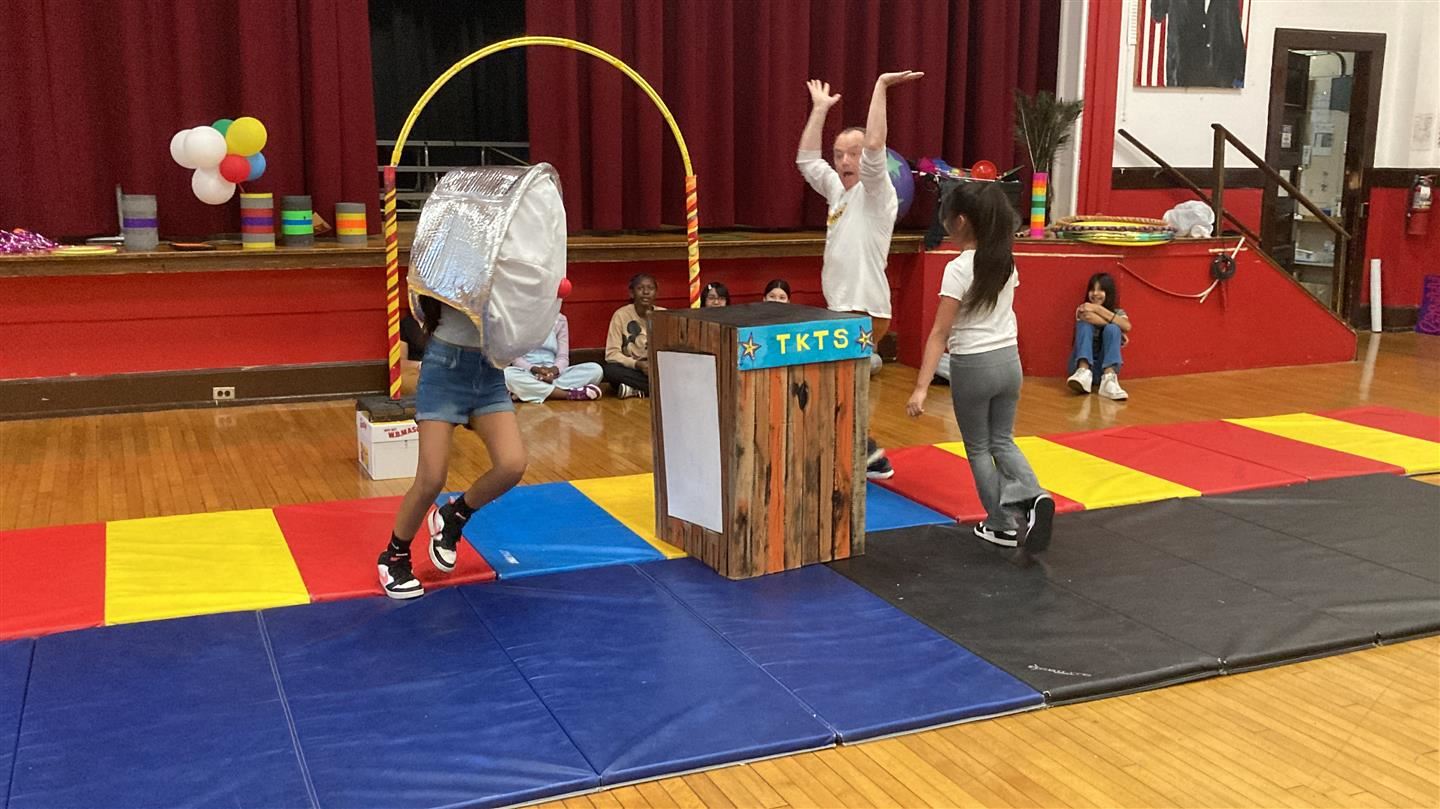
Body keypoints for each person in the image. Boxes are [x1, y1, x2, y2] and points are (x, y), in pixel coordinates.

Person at [906, 182, 1055, 552]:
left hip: (973, 364)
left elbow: (940, 333)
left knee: (977, 448)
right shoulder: (1005, 260)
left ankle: (1001, 522)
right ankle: (1034, 497)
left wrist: (921, 387)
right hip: (1009, 362)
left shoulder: (957, 269)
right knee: (1002, 440)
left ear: (959, 221)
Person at [797, 69, 922, 480]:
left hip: (864, 310)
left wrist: (880, 87)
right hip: (842, 309)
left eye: (851, 154)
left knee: (832, 387)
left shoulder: (877, 194)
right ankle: (864, 452)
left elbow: (874, 145)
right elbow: (806, 161)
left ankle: (867, 454)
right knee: (833, 387)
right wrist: (818, 111)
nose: (846, 161)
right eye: (840, 155)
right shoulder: (838, 191)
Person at [376, 296, 529, 599]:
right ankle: (394, 557)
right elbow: (422, 299)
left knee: (512, 465)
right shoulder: (445, 256)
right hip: (444, 371)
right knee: (431, 479)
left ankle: (454, 515)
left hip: (489, 373)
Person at [504, 311, 602, 403]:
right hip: (528, 372)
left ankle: (527, 391)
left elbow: (563, 356)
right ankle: (568, 394)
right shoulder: (516, 318)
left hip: (555, 374)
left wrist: (554, 370)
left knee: (596, 370)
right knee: (507, 374)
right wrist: (535, 369)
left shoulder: (560, 319)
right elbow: (515, 358)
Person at [1066, 272, 1132, 401]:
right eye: (1092, 289)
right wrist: (1119, 329)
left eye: (1100, 290)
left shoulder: (1119, 312)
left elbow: (1128, 326)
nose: (1095, 293)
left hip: (1103, 367)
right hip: (1080, 364)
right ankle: (1083, 371)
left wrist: (1098, 309)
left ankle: (1109, 379)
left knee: (1113, 329)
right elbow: (1088, 317)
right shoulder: (1083, 308)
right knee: (1086, 324)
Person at [602, 273, 659, 399]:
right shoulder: (621, 315)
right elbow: (611, 354)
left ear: (656, 293)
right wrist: (637, 364)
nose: (645, 292)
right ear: (632, 293)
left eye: (650, 288)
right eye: (640, 288)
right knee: (610, 371)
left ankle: (637, 390)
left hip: (657, 370)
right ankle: (656, 389)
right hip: (634, 369)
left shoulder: (664, 315)